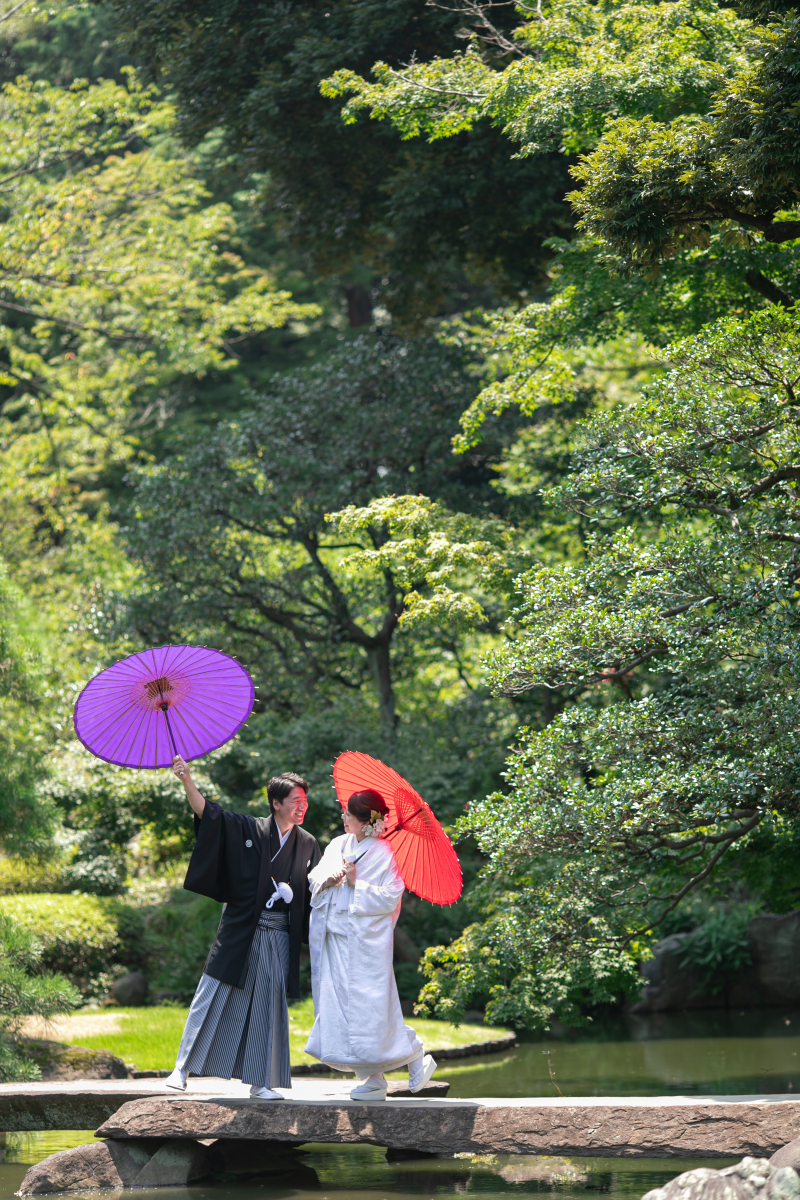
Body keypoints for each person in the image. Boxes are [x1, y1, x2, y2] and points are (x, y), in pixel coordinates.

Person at [164, 756, 321, 1099]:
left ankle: (260, 1082)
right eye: (296, 801)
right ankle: (181, 1067)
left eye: (305, 802)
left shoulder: (307, 843)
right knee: (213, 992)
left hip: (279, 933)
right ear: (276, 803)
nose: (302, 807)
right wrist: (187, 780)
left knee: (268, 1006)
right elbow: (209, 814)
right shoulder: (249, 829)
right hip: (241, 928)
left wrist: (317, 887)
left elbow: (317, 890)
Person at [304, 788, 437, 1101]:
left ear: (366, 822)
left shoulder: (386, 853)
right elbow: (314, 878)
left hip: (366, 946)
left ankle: (415, 1052)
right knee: (344, 1010)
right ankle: (373, 1078)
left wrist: (356, 883)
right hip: (336, 940)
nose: (343, 817)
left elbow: (391, 896)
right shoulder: (338, 844)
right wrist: (329, 878)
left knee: (372, 1009)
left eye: (349, 814)